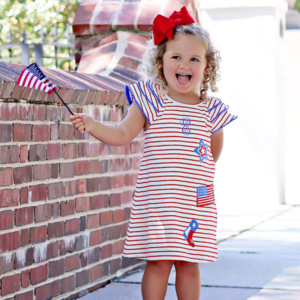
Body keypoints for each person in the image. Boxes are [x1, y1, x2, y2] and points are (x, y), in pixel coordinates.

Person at [70, 6, 237, 300]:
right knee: (158, 262)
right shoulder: (151, 99)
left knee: (189, 262)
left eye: (194, 59)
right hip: (158, 200)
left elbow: (212, 153)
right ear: (160, 62)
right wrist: (94, 125)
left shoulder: (212, 110)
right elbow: (122, 133)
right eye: (176, 57)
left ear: (207, 67)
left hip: (194, 202)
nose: (184, 64)